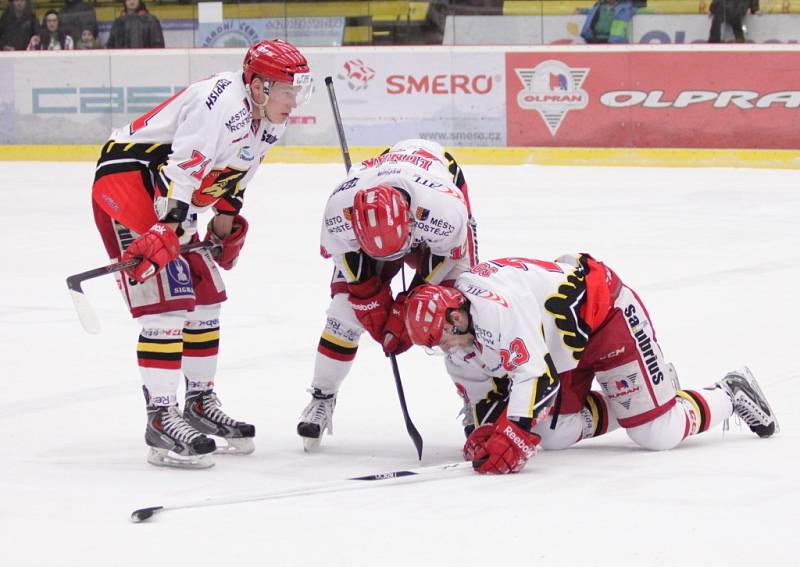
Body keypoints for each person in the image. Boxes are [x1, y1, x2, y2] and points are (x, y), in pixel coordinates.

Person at [90, 40, 313, 468]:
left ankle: (197, 402)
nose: (294, 101)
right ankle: (160, 415)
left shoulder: (269, 117)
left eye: (297, 90)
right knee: (167, 304)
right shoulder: (220, 105)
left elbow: (240, 170)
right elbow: (183, 170)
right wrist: (167, 230)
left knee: (206, 297)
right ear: (259, 86)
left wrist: (226, 223)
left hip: (173, 197)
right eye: (288, 90)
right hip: (129, 183)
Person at [404, 253, 779, 475]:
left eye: (445, 338)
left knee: (658, 434)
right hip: (560, 344)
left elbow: (534, 381)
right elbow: (485, 399)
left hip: (604, 318)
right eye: (436, 344)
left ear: (456, 316)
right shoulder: (456, 332)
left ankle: (729, 391)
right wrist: (485, 430)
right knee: (553, 434)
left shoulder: (495, 310)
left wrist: (512, 435)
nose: (446, 349)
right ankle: (643, 396)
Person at [297, 139, 478, 450]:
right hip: (378, 219)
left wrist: (401, 315)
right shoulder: (338, 212)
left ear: (410, 221)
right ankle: (322, 396)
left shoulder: (445, 213)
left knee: (455, 313)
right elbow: (359, 286)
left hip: (437, 207)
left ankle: (476, 400)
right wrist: (374, 309)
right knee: (343, 313)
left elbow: (429, 279)